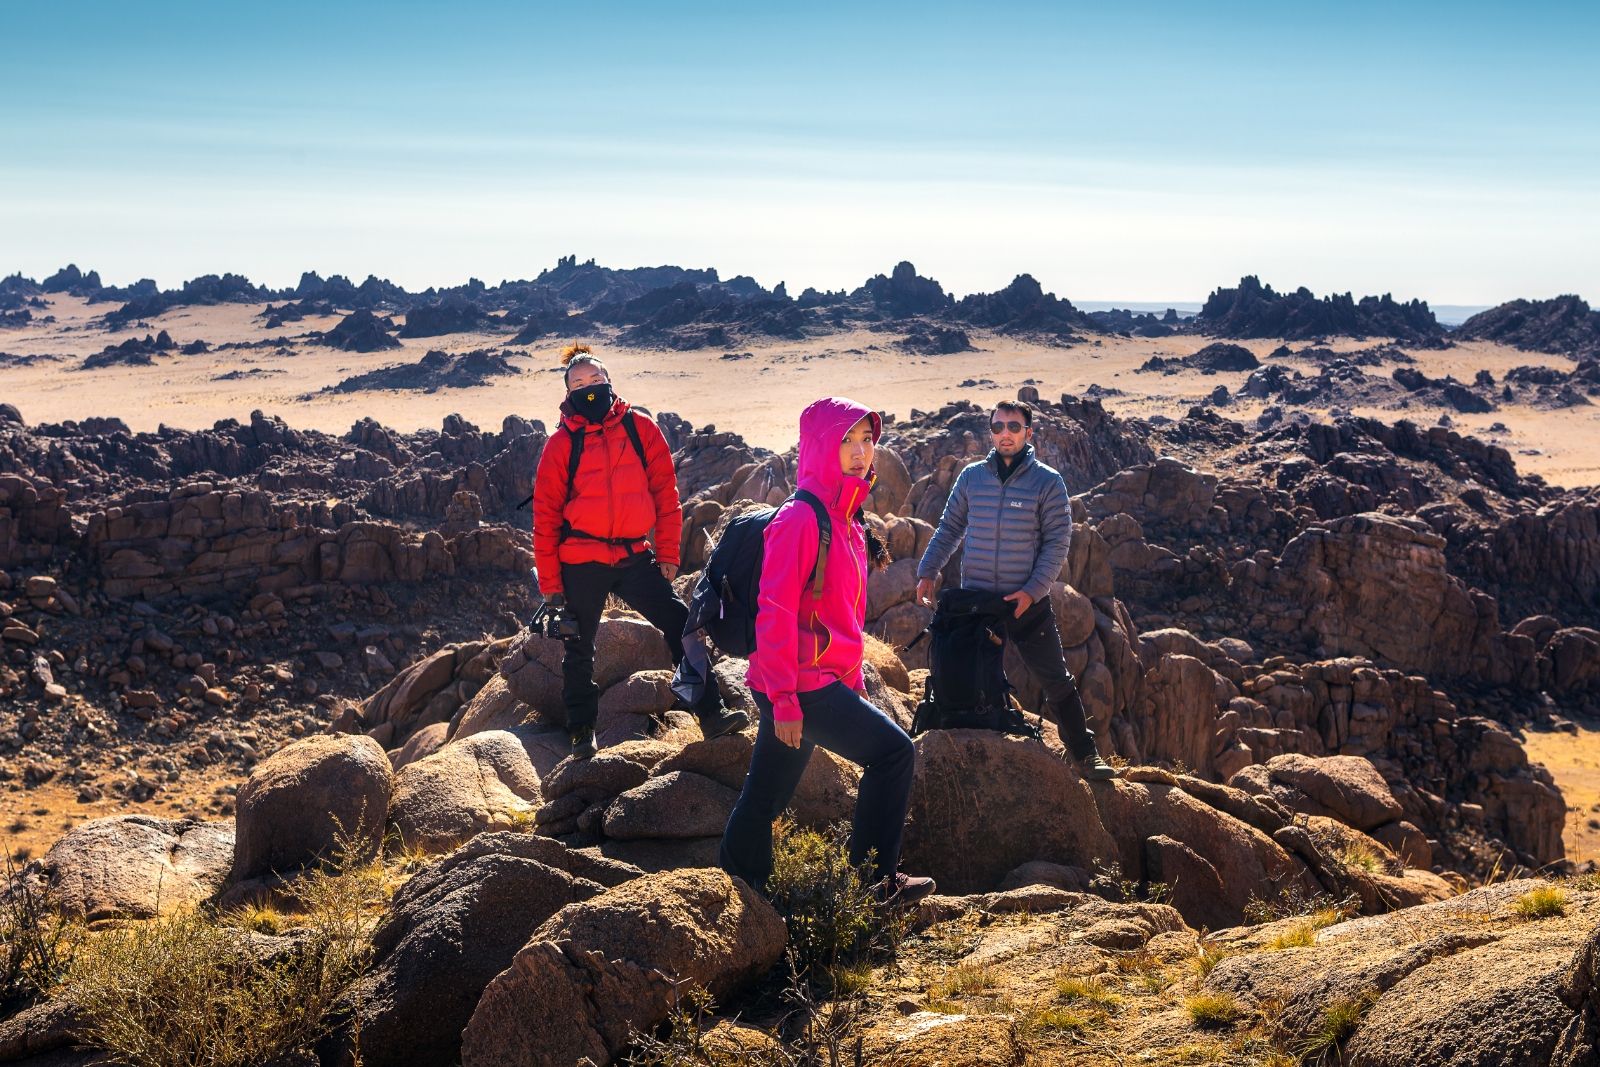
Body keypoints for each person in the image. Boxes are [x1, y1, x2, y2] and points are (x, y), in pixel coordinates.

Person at [720, 397, 936, 905]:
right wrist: (785, 702)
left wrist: (852, 681)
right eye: (847, 441)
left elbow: (843, 615)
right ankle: (873, 886)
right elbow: (773, 613)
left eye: (867, 441)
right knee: (893, 755)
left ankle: (736, 890)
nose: (860, 453)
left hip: (819, 680)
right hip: (798, 684)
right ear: (821, 446)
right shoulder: (800, 519)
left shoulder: (849, 520)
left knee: (765, 796)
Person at [532, 344, 747, 759]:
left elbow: (666, 494)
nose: (589, 389)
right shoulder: (561, 445)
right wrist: (551, 585)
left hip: (634, 555)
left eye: (595, 381)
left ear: (610, 381)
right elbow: (545, 518)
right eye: (579, 384)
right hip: (581, 559)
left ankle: (712, 713)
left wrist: (667, 552)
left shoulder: (641, 428)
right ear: (566, 392)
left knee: (681, 624)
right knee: (579, 645)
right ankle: (581, 732)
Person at [915, 400, 1118, 780]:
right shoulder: (972, 478)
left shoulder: (1048, 482)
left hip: (1026, 602)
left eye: (1013, 426)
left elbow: (1058, 543)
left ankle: (1085, 752)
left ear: (1028, 433)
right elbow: (949, 528)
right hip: (977, 601)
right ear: (990, 432)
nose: (1005, 433)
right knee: (967, 671)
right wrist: (929, 570)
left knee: (1056, 678)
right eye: (998, 427)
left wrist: (1032, 591)